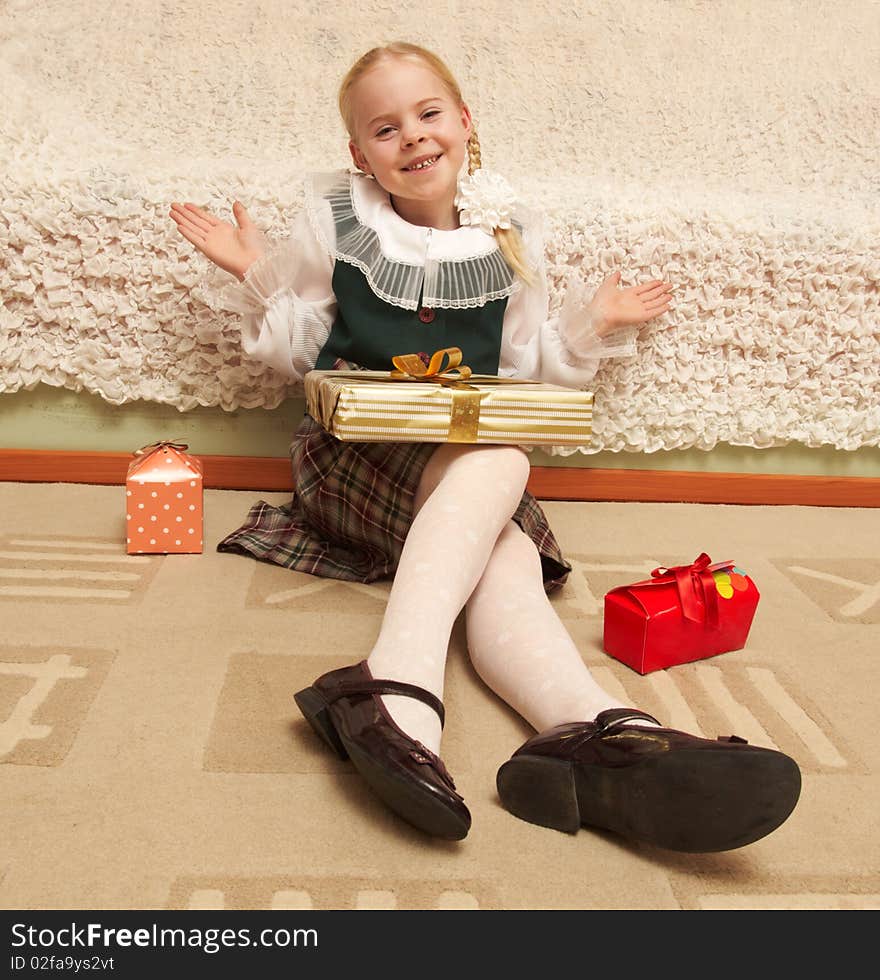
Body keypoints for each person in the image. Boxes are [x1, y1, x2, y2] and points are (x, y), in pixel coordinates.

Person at [169, 41, 800, 851]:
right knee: (502, 468)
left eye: (429, 114)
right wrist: (258, 271)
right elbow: (302, 353)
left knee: (500, 544)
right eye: (385, 129)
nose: (414, 138)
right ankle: (403, 688)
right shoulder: (339, 225)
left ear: (464, 122)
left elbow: (523, 369)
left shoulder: (508, 237)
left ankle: (591, 736)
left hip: (459, 472)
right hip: (353, 458)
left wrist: (594, 323)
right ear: (359, 154)